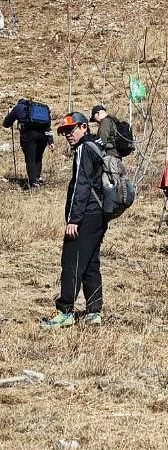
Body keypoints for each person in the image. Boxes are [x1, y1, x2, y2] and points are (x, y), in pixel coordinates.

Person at [40, 112, 107, 329]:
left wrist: (73, 219)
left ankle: (65, 311)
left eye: (71, 129)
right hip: (100, 214)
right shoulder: (98, 145)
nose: (68, 135)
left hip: (86, 214)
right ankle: (94, 312)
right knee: (90, 263)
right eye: (64, 132)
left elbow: (81, 186)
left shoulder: (83, 149)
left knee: (71, 261)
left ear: (84, 127)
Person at [3, 98, 54, 189]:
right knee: (38, 157)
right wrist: (51, 141)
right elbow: (48, 126)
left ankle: (33, 182)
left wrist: (9, 114)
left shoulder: (18, 107)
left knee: (30, 158)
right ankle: (37, 178)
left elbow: (6, 123)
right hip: (43, 136)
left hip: (28, 135)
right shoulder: (41, 107)